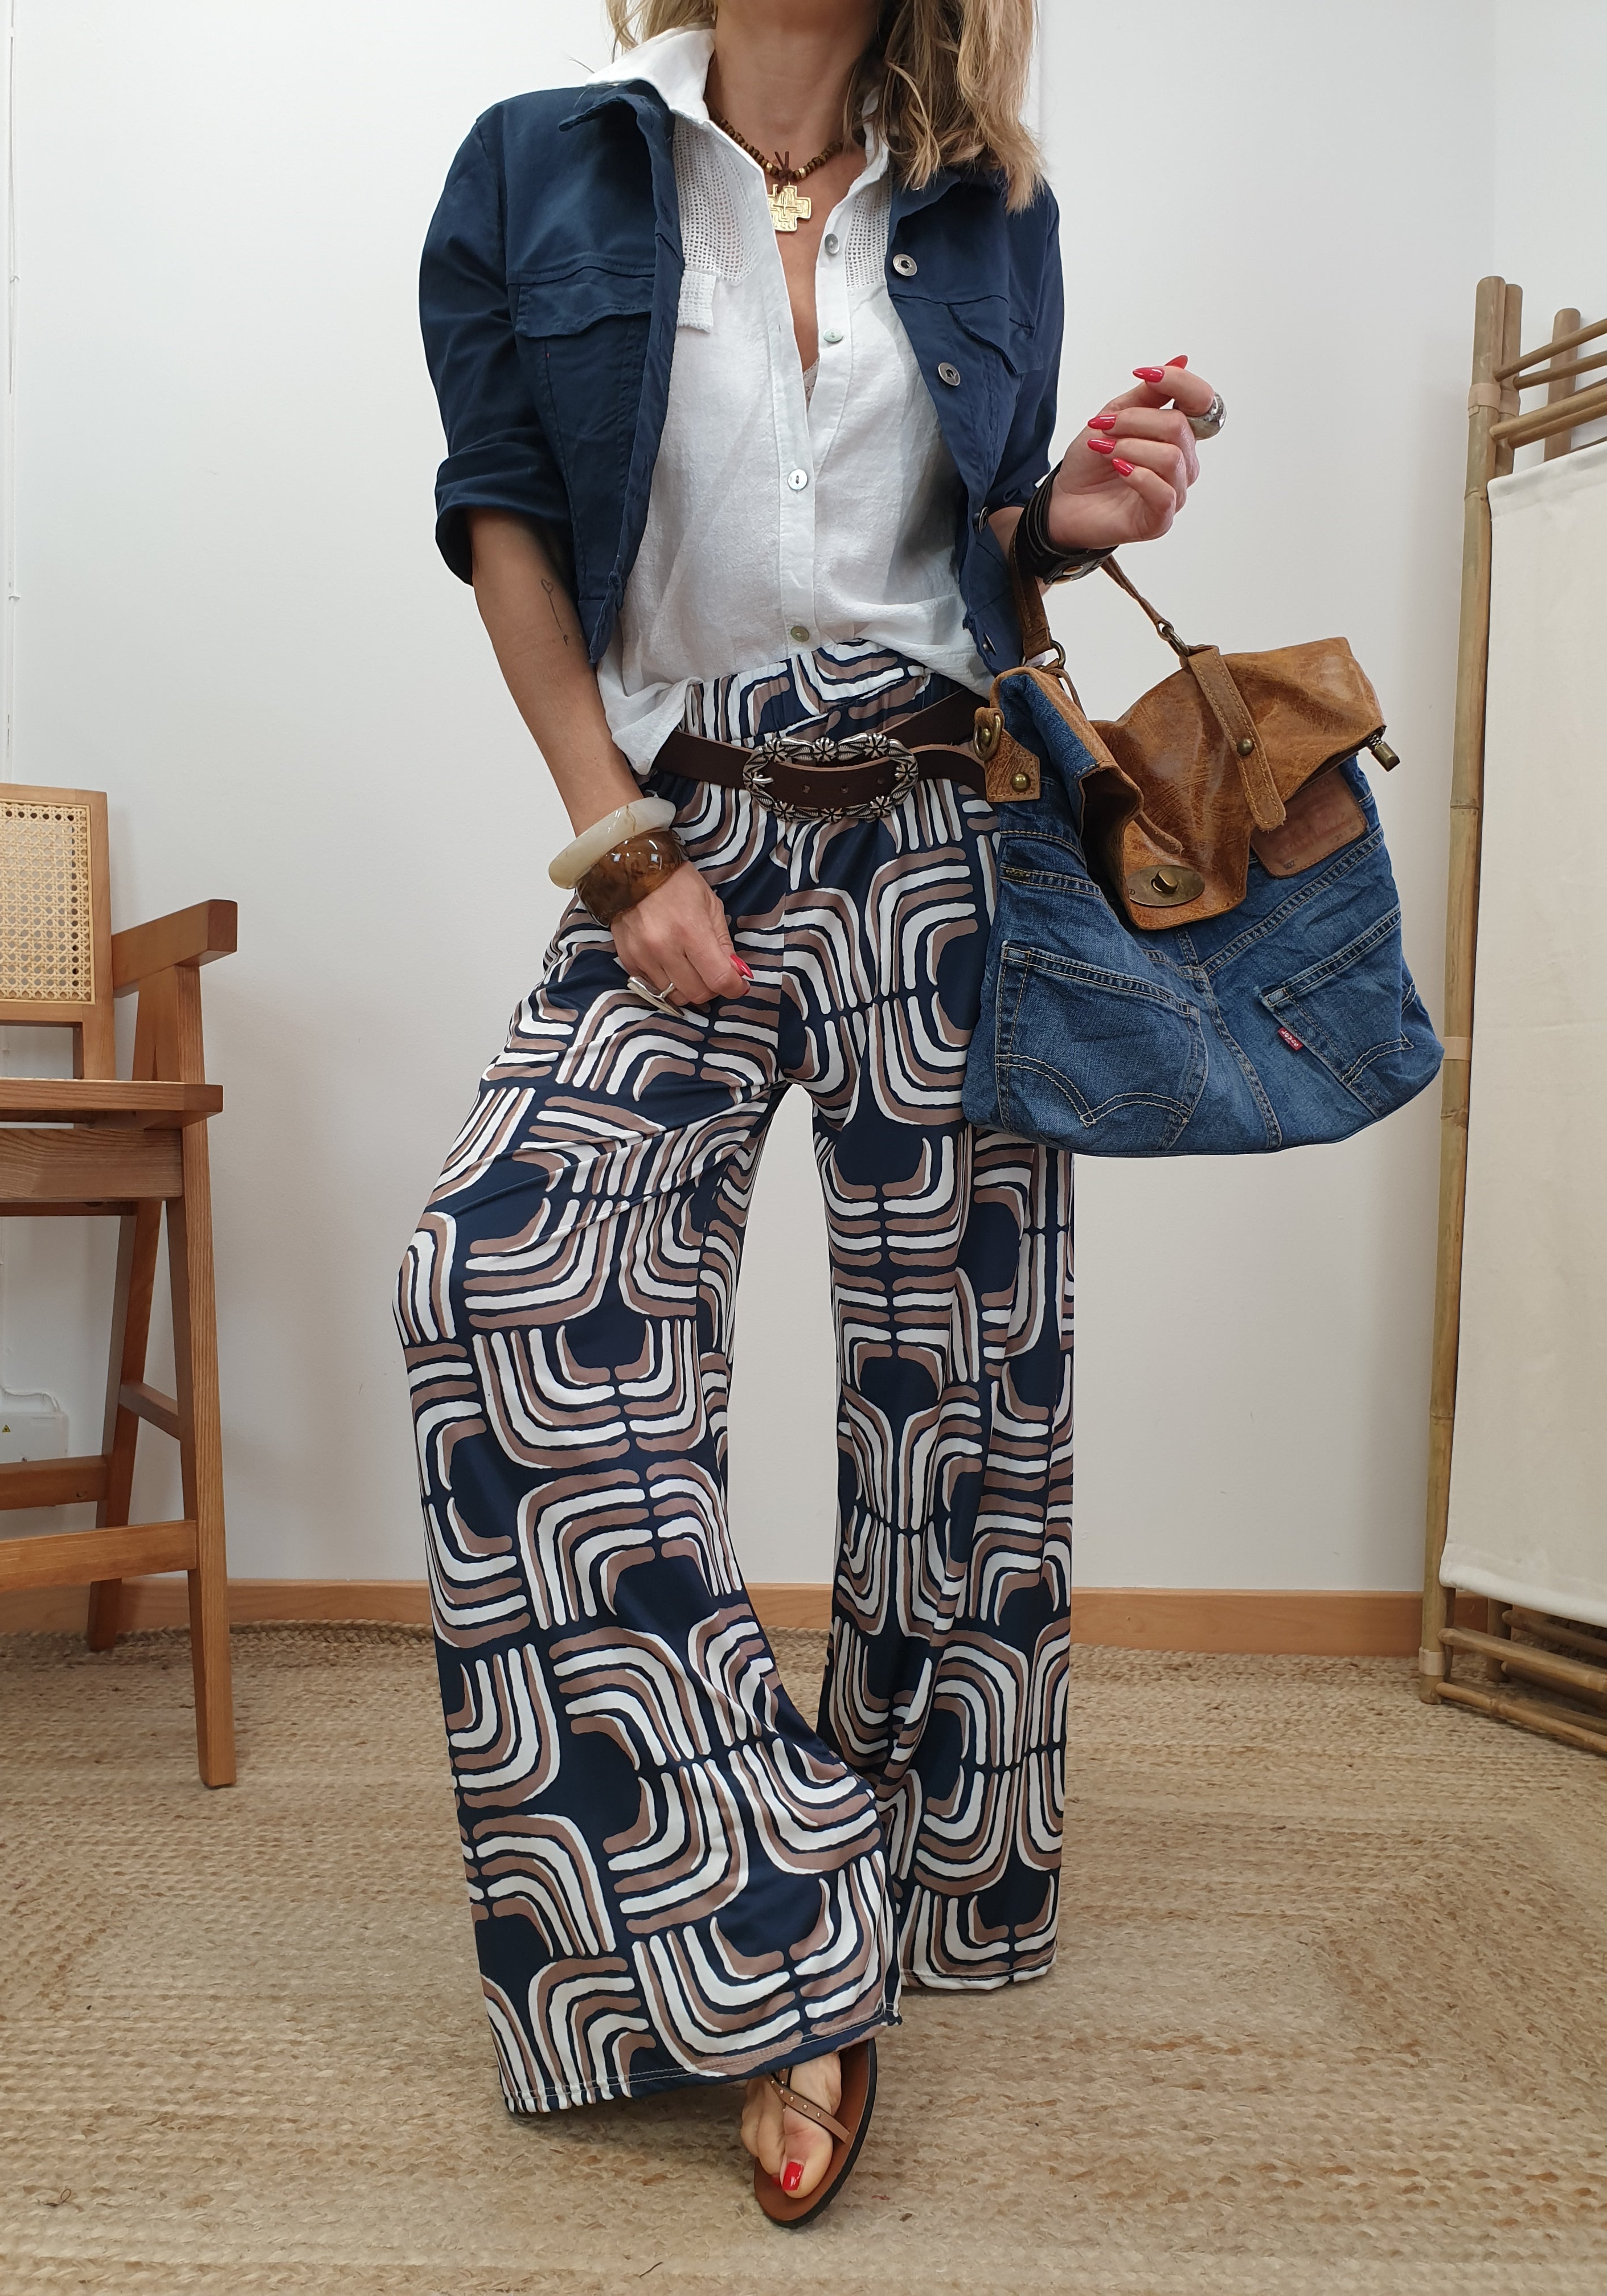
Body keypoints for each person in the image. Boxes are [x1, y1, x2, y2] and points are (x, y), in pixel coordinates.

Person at [399, 0, 1220, 2225]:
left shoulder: (991, 202)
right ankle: (773, 1918)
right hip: (691, 813)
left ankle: (943, 1887)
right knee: (501, 1282)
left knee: (958, 1390)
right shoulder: (541, 166)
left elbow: (977, 558)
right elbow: (503, 516)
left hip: (951, 822)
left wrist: (1074, 514)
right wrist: (617, 846)